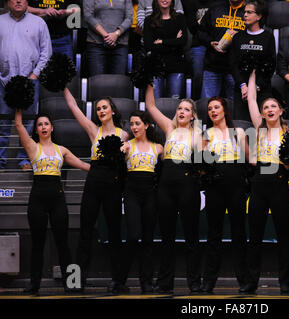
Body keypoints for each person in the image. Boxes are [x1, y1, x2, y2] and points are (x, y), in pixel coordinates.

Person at [15, 109, 90, 295]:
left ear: (52, 127)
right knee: (37, 244)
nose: (43, 127)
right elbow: (18, 125)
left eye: (46, 124)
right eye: (39, 124)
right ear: (37, 130)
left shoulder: (61, 150)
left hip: (57, 198)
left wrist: (106, 166)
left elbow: (84, 165)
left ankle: (71, 283)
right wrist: (18, 107)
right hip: (37, 198)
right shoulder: (32, 147)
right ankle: (34, 286)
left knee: (63, 243)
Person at [63, 87, 129, 293]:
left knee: (115, 232)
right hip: (94, 181)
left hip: (114, 182)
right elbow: (74, 106)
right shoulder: (94, 130)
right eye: (98, 108)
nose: (101, 111)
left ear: (113, 111)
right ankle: (76, 281)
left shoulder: (124, 134)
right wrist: (64, 84)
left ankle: (118, 281)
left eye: (104, 108)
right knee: (85, 232)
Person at [145, 84, 203, 293]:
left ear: (193, 116)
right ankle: (164, 283)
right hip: (166, 186)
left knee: (191, 237)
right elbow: (150, 106)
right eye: (180, 108)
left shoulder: (198, 135)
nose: (182, 111)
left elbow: (206, 161)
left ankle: (195, 282)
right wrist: (149, 80)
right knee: (167, 237)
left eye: (187, 109)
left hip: (188, 185)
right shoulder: (169, 128)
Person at [242, 70, 289, 294]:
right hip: (260, 183)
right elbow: (252, 99)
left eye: (273, 106)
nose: (269, 110)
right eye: (266, 108)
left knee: (283, 235)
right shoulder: (260, 129)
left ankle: (287, 283)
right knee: (255, 236)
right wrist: (252, 74)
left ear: (281, 110)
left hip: (280, 181)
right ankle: (251, 282)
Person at [200, 96, 250, 293]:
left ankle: (245, 281)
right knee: (214, 234)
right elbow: (201, 164)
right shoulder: (205, 134)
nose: (213, 111)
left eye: (216, 107)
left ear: (224, 110)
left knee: (239, 233)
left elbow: (250, 159)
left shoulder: (238, 132)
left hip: (236, 182)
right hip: (215, 185)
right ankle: (208, 282)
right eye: (210, 108)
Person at [0, 0, 51, 170]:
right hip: (3, 82)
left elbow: (46, 52)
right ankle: (0, 160)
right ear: (8, 2)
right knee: (2, 123)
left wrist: (35, 75)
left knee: (29, 123)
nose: (19, 1)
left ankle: (25, 160)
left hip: (30, 81)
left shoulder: (39, 23)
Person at [117, 110, 163, 293]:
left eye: (137, 123)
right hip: (132, 193)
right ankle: (120, 281)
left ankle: (146, 282)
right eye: (131, 124)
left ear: (146, 125)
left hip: (150, 193)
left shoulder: (158, 148)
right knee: (133, 236)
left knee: (148, 239)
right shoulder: (127, 146)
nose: (134, 127)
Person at [230, 0, 275, 121]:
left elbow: (270, 65)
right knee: (241, 128)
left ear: (259, 16)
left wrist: (256, 87)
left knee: (263, 128)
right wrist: (243, 86)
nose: (245, 15)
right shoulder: (238, 37)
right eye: (244, 12)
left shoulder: (268, 37)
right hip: (241, 90)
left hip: (262, 90)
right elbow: (233, 64)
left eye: (249, 12)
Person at [198, 0, 246, 100]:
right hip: (213, 64)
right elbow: (201, 32)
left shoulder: (249, 11)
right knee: (208, 103)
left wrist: (239, 38)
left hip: (236, 68)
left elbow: (255, 35)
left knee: (235, 105)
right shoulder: (215, 8)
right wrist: (210, 42)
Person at [143, 0, 188, 98]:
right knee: (155, 104)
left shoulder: (180, 18)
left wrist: (162, 41)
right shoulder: (149, 20)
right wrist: (174, 41)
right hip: (155, 66)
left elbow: (183, 41)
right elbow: (148, 46)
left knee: (174, 104)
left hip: (176, 65)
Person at [83, 0, 133, 77]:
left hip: (120, 45)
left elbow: (129, 18)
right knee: (97, 81)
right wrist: (106, 35)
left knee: (118, 82)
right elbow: (88, 16)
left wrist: (116, 34)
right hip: (96, 44)